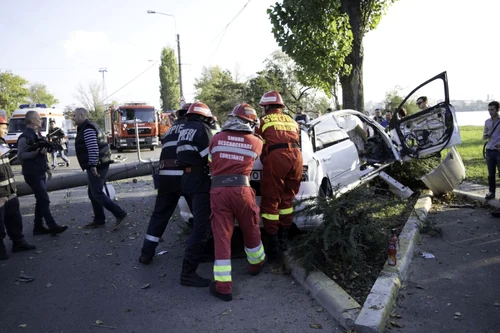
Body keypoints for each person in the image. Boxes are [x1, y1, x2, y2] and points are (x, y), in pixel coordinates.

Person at [208, 103, 266, 302]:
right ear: (251, 122)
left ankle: (223, 287)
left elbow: (211, 163)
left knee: (222, 237)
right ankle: (256, 265)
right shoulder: (256, 141)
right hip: (242, 190)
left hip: (218, 191)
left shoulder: (216, 138)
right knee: (251, 228)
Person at [139, 103, 193, 264]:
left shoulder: (171, 130)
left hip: (165, 177)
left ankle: (146, 253)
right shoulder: (193, 128)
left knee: (160, 215)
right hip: (185, 176)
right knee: (201, 213)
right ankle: (203, 250)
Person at [256, 90, 303, 261]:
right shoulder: (292, 120)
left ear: (267, 106)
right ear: (281, 106)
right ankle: (284, 239)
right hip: (296, 156)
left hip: (277, 157)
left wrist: (266, 158)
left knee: (271, 200)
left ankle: (273, 244)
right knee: (287, 200)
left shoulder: (263, 121)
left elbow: (258, 145)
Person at [176, 101, 214, 287]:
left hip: (187, 180)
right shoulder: (201, 129)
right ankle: (188, 273)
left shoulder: (184, 128)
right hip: (200, 181)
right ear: (203, 117)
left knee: (200, 225)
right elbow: (210, 157)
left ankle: (204, 253)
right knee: (202, 227)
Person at [72, 107, 127, 229]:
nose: (73, 118)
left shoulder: (87, 129)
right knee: (92, 192)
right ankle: (99, 219)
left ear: (81, 116)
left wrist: (92, 166)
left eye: (74, 116)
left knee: (96, 193)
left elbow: (93, 148)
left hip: (98, 165)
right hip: (99, 163)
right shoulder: (88, 127)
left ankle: (120, 213)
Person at [17, 111, 68, 236]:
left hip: (39, 171)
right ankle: (52, 226)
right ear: (33, 120)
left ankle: (38, 227)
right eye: (39, 119)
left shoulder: (37, 135)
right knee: (44, 199)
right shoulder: (25, 137)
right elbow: (20, 155)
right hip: (32, 173)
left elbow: (42, 154)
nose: (41, 121)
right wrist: (35, 153)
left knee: (40, 200)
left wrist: (47, 167)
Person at [0, 110, 36, 260]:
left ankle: (18, 242)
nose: (5, 130)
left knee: (14, 218)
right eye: (3, 127)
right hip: (0, 193)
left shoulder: (2, 142)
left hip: (10, 190)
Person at [483, 101, 500, 200]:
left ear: (497, 110)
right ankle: (491, 192)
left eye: (492, 109)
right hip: (489, 150)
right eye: (489, 110)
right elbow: (483, 136)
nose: (490, 112)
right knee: (491, 174)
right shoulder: (487, 122)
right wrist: (486, 135)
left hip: (499, 151)